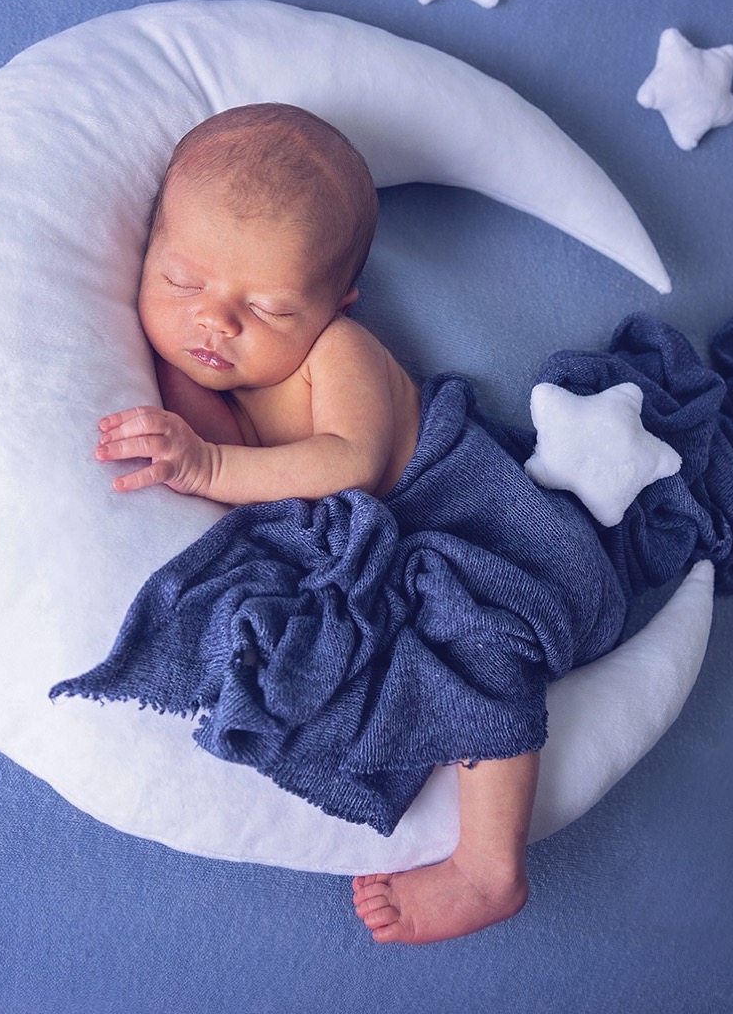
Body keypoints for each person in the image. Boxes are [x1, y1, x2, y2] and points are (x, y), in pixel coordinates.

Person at [92, 103, 537, 944]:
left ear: (337, 301)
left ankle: (490, 867)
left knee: (485, 639)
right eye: (183, 283)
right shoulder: (200, 365)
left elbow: (348, 464)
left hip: (455, 520)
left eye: (267, 308)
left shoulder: (340, 352)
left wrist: (208, 463)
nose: (215, 323)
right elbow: (236, 482)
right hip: (369, 553)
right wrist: (190, 423)